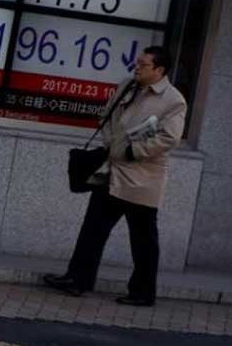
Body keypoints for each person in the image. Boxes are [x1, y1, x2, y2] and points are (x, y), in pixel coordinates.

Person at [43, 46, 187, 307]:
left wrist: (132, 151)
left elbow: (169, 138)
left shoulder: (173, 100)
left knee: (143, 239)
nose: (137, 67)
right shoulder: (127, 86)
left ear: (159, 70)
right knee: (93, 229)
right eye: (137, 63)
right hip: (111, 171)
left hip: (142, 180)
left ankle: (143, 292)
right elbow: (107, 116)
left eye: (143, 64)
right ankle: (78, 279)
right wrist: (112, 145)